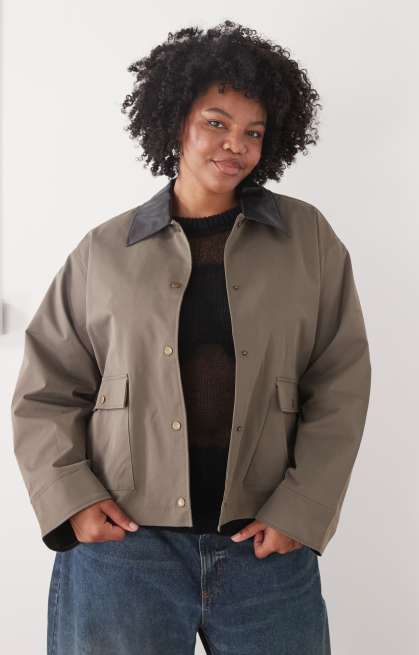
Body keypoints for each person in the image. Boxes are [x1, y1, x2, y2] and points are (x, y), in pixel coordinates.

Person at [11, 20, 371, 654]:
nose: (235, 145)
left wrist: (302, 507)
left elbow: (339, 381)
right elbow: (46, 388)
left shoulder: (307, 240)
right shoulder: (105, 251)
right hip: (124, 552)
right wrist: (71, 500)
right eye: (216, 123)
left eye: (253, 132)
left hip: (265, 548)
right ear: (176, 121)